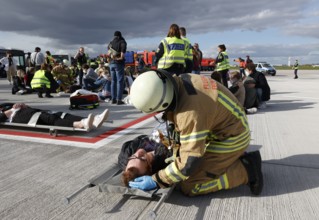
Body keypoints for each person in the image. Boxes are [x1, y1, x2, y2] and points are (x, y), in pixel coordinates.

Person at [128, 69, 263, 197]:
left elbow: (189, 162)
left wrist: (158, 179)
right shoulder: (181, 82)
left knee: (190, 184)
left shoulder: (190, 113)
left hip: (231, 139)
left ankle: (247, 171)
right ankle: (229, 161)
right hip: (229, 128)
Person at [0, 103, 109, 130]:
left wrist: (23, 105)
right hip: (15, 117)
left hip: (24, 110)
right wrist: (10, 111)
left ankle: (94, 121)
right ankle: (81, 124)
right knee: (47, 118)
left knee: (60, 114)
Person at [107, 31, 127, 105]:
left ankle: (113, 99)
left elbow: (108, 53)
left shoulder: (111, 43)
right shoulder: (122, 42)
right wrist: (119, 58)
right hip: (119, 63)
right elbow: (122, 55)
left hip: (111, 64)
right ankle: (119, 100)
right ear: (120, 35)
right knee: (120, 81)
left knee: (113, 81)